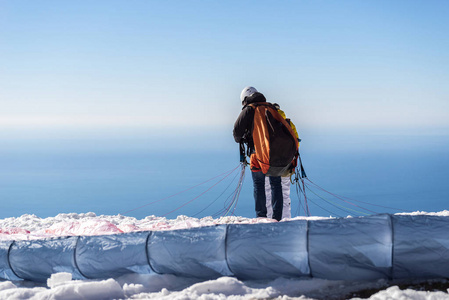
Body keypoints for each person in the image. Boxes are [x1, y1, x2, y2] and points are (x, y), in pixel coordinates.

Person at [233, 86, 284, 221]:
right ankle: (277, 218)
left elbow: (236, 132)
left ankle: (261, 218)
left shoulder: (249, 109)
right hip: (275, 154)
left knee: (259, 186)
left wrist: (243, 138)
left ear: (245, 99)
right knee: (276, 185)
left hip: (257, 154)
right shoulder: (272, 108)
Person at [265, 103, 300, 219]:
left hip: (270, 165)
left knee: (269, 194)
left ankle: (271, 219)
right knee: (285, 194)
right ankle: (286, 219)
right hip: (286, 165)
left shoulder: (267, 123)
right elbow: (296, 144)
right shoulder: (288, 124)